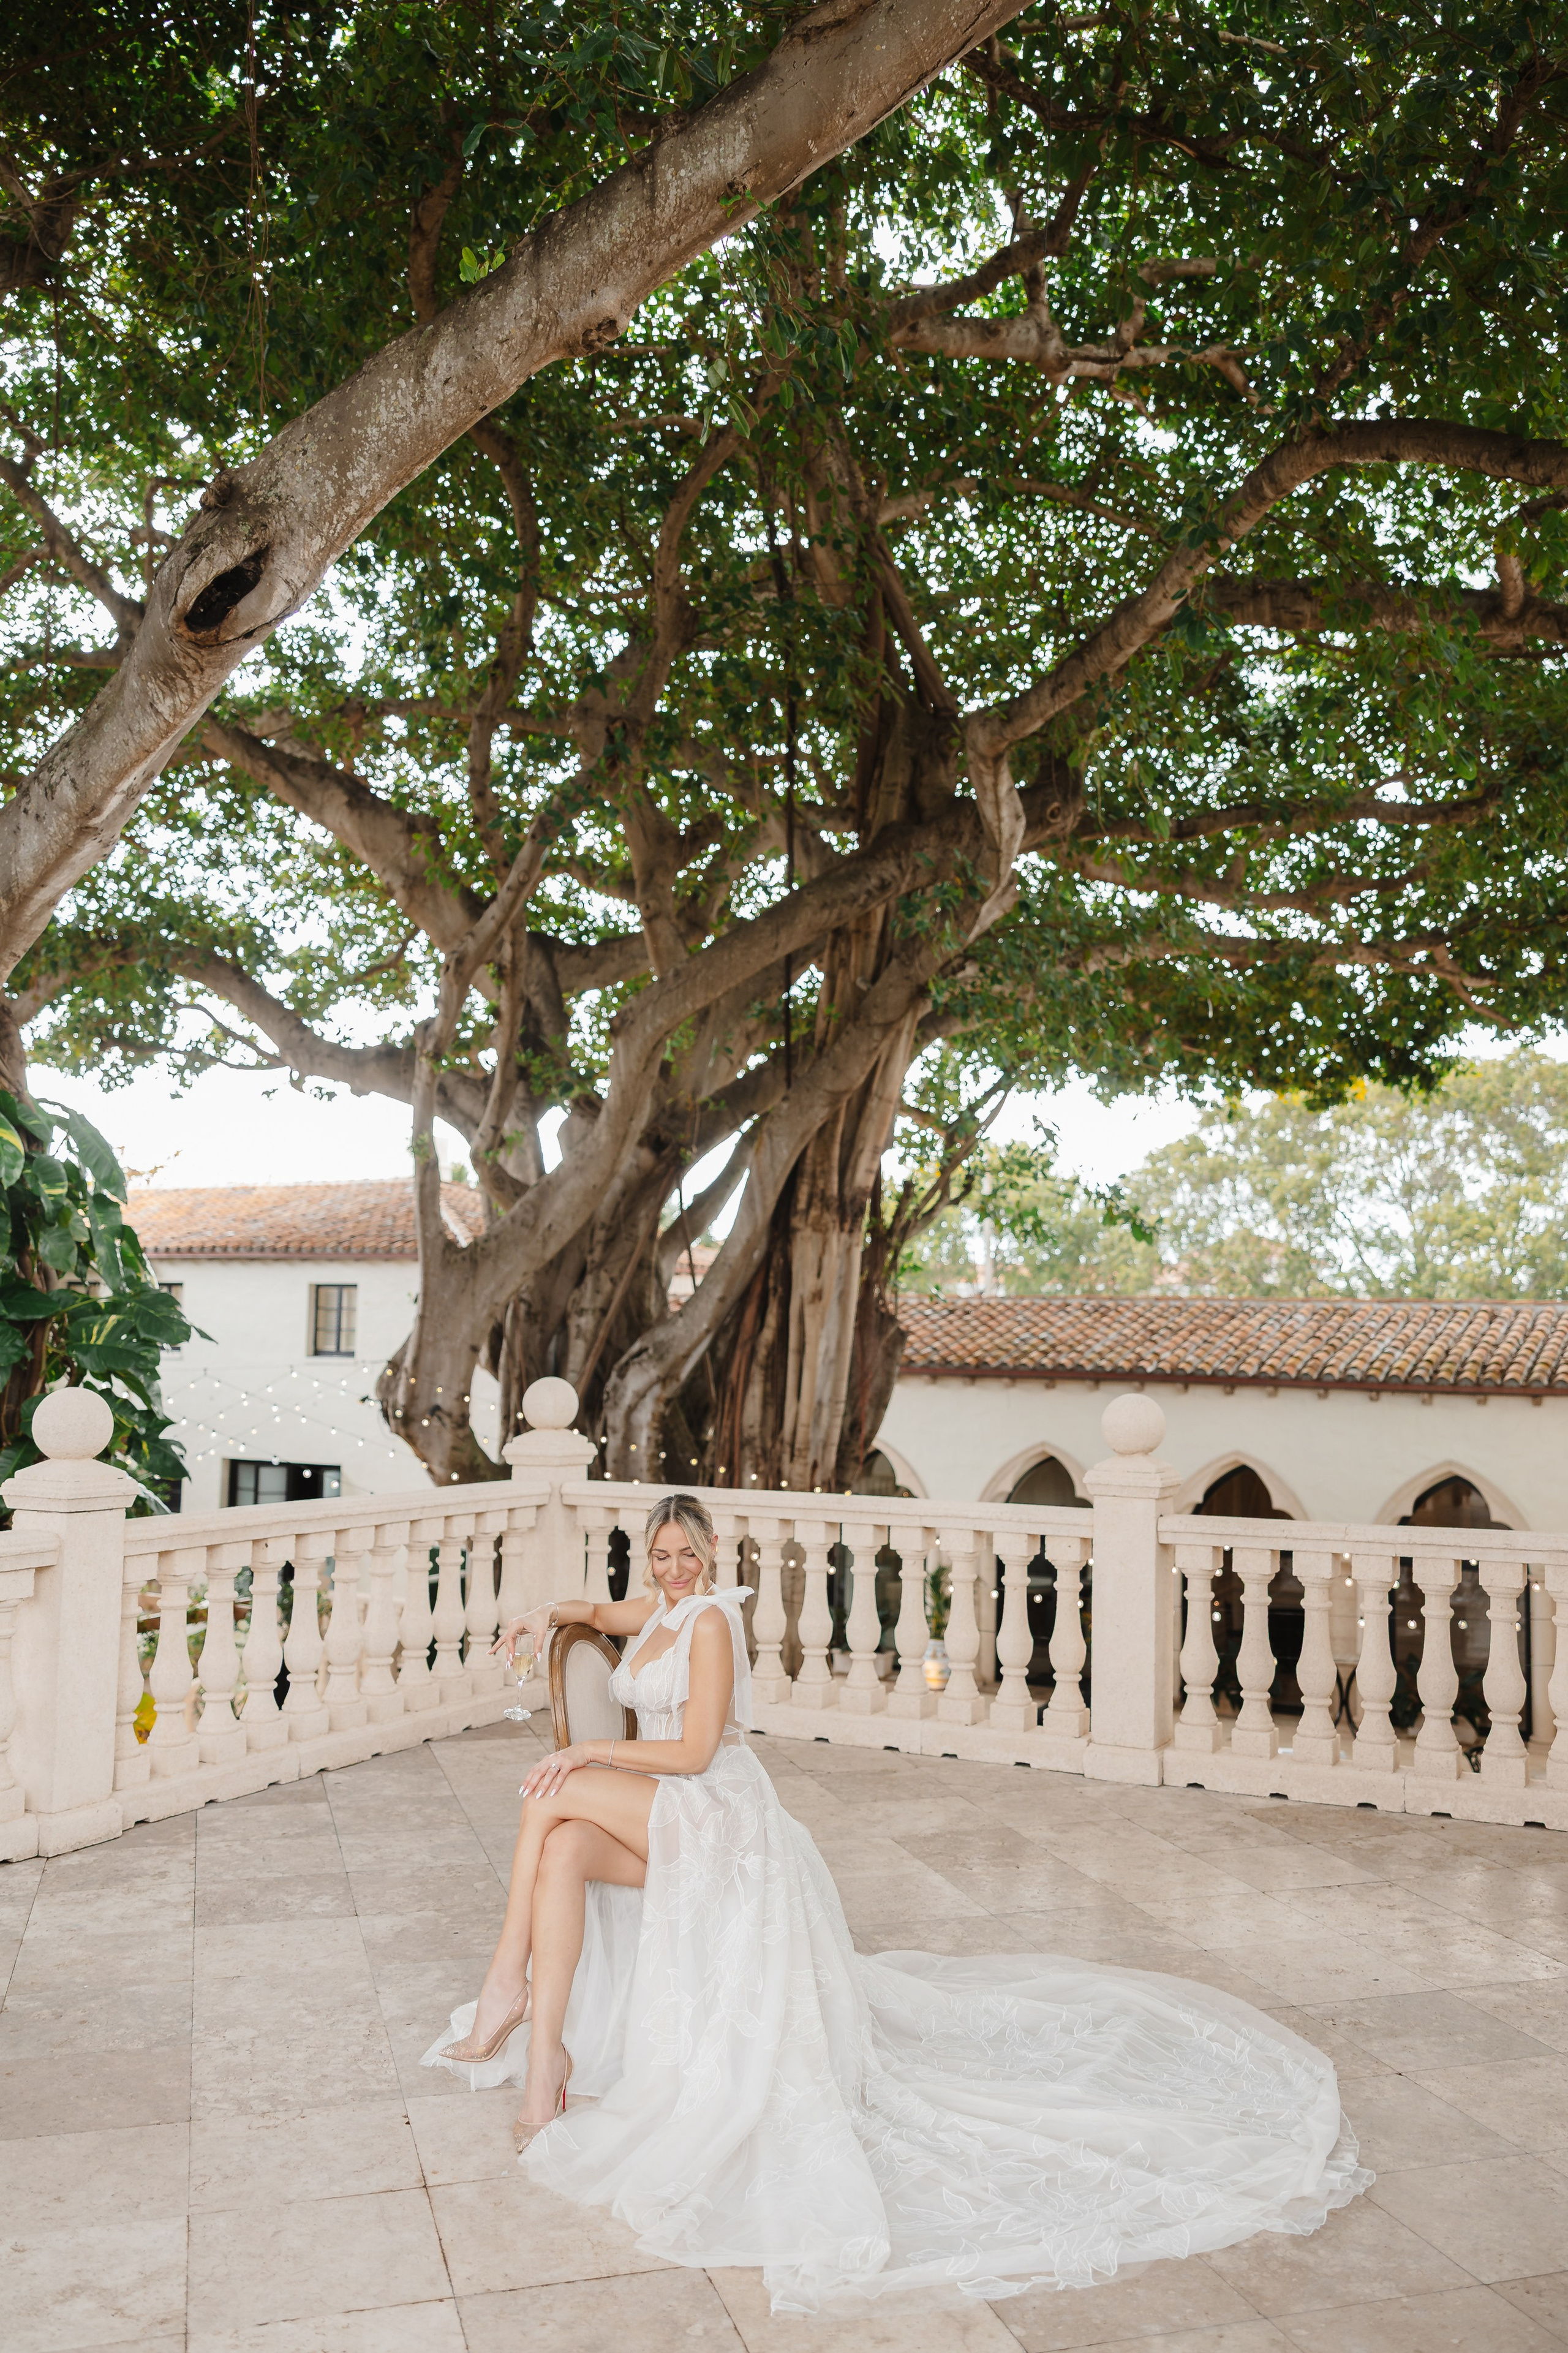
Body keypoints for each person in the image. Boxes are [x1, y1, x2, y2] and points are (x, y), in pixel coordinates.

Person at [424, 1493, 1369, 2314]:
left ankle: (508, 1985)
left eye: (687, 1555)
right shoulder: (660, 1609)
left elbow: (696, 1752)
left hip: (714, 1808)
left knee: (550, 1793)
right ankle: (547, 2057)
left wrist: (590, 1748)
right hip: (668, 1809)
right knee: (562, 1849)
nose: (673, 1569)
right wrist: (545, 1613)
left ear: (712, 1555)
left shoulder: (709, 1621)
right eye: (660, 1554)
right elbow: (598, 1610)